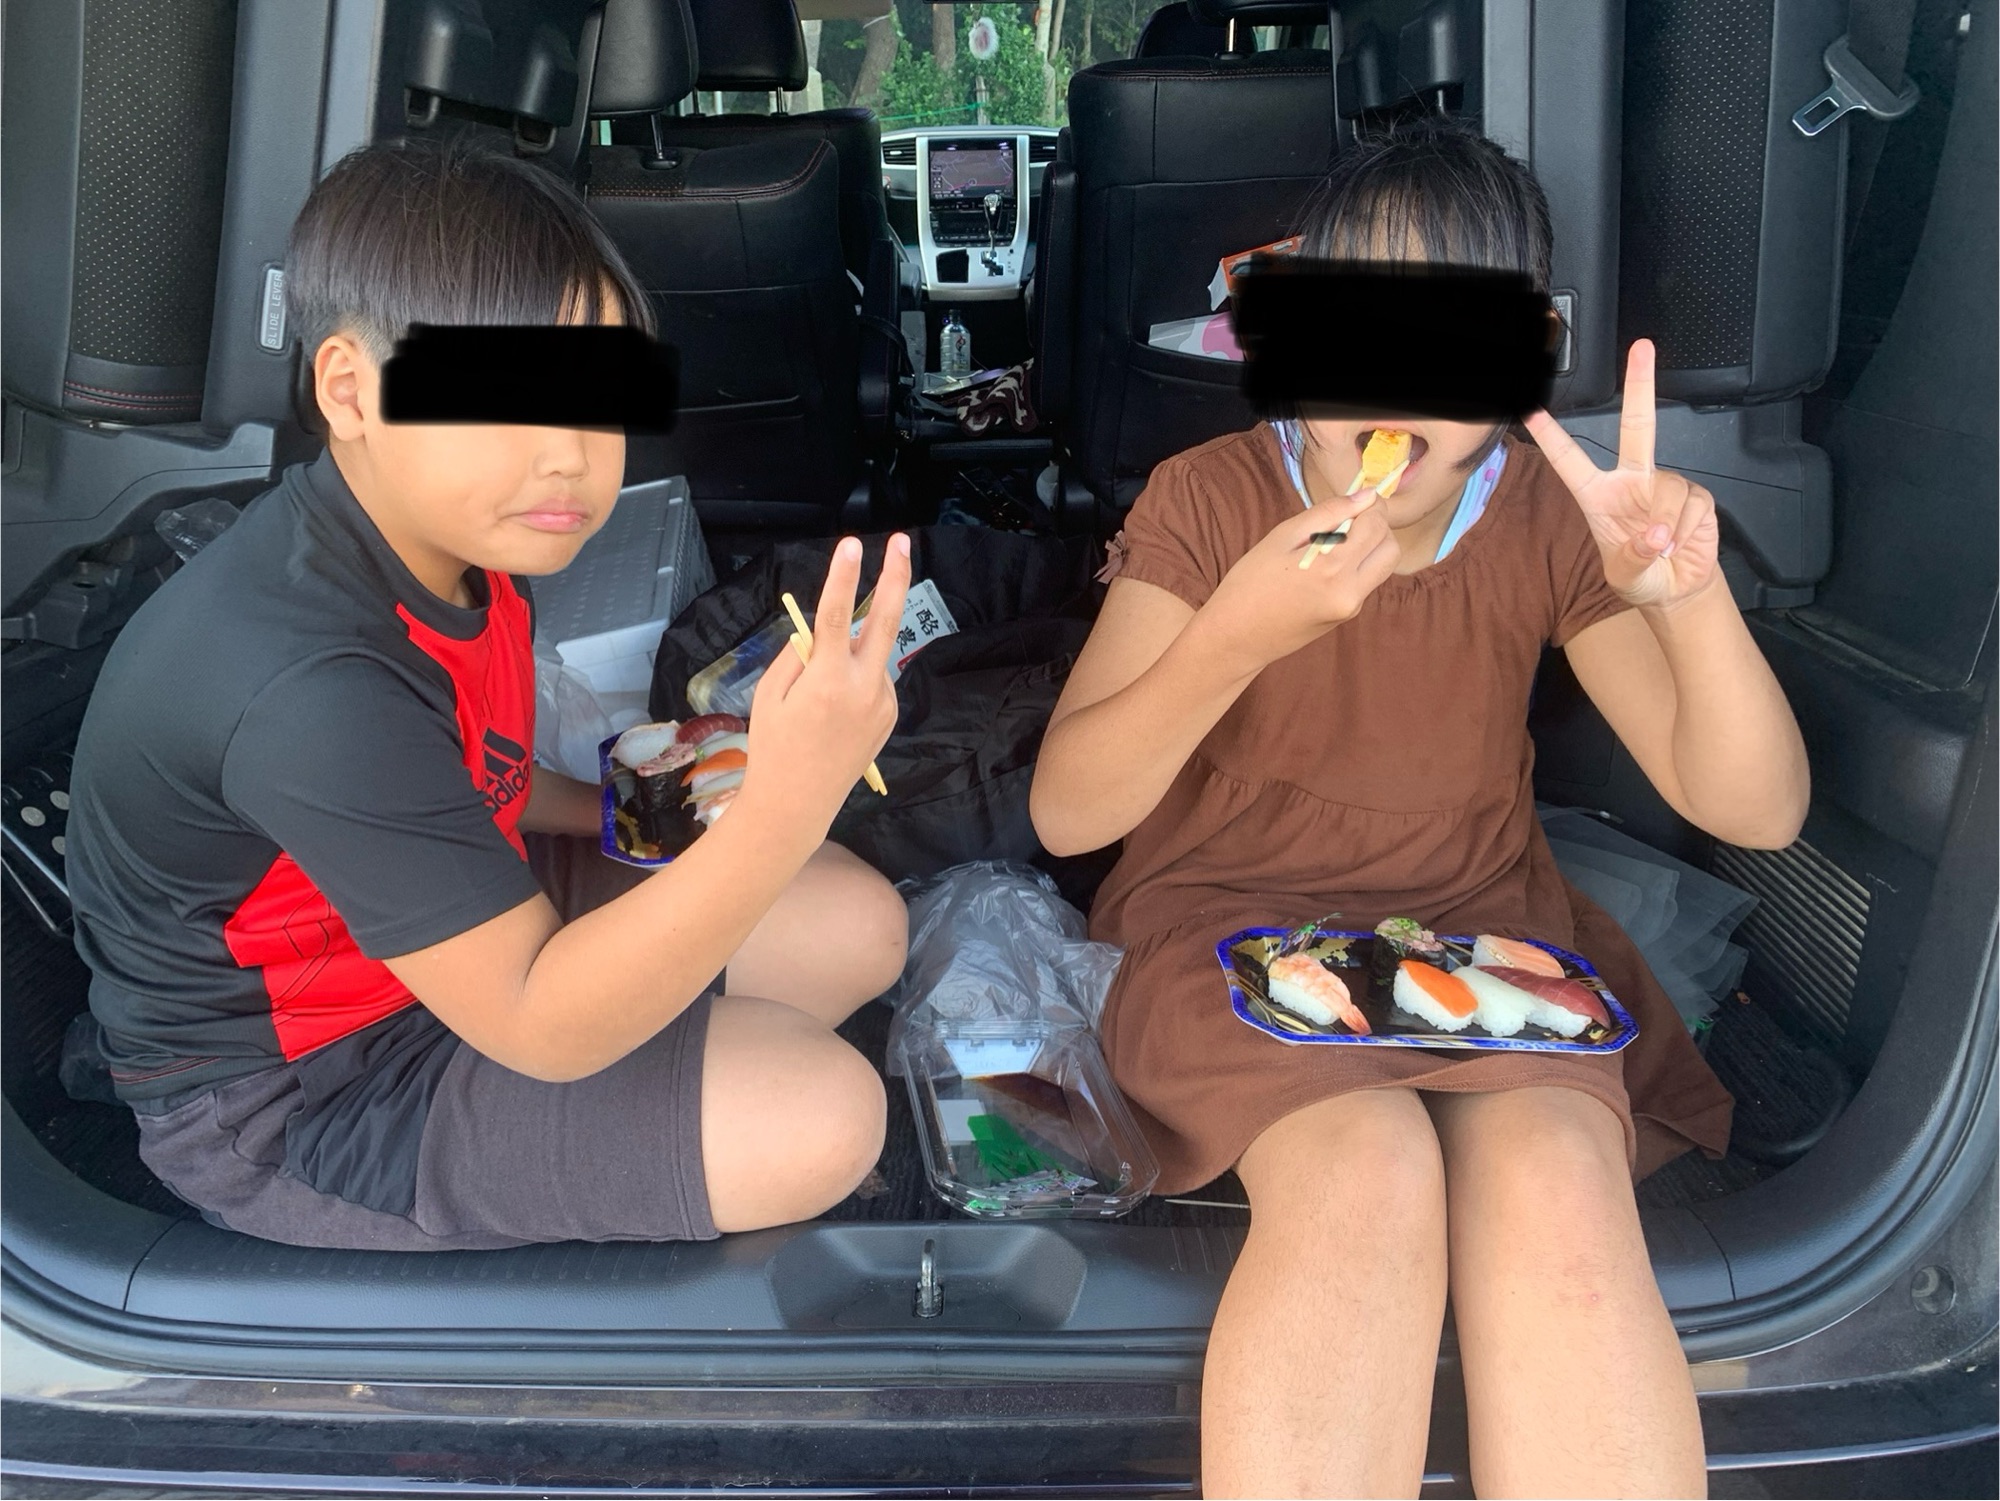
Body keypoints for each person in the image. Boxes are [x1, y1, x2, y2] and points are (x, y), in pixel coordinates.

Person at [1029, 117, 1807, 1498]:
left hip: (1478, 934)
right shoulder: (1211, 499)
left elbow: (1754, 808)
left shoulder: (1551, 521)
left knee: (1561, 1177)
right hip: (1222, 932)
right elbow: (1069, 811)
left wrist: (1687, 602)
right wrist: (1232, 637)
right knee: (1366, 1165)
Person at [64, 135, 913, 1252]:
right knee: (825, 1114)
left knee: (858, 925)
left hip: (447, 927)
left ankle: (659, 1096)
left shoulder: (454, 544)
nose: (568, 456)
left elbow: (468, 776)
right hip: (307, 1087)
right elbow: (537, 1019)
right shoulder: (309, 685)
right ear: (348, 390)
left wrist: (636, 798)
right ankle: (655, 1112)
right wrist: (787, 803)